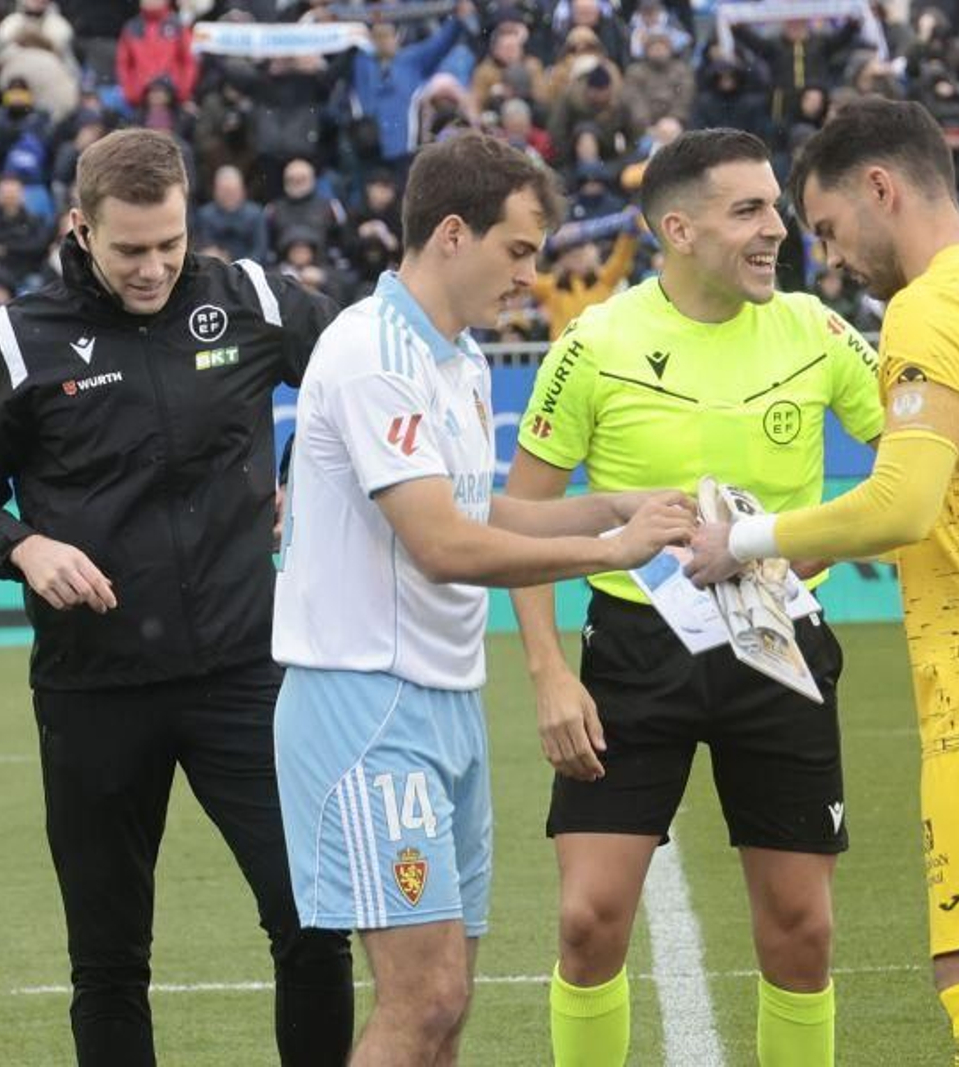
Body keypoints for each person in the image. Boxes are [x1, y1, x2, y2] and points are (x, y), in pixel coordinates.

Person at [686, 99, 959, 1066]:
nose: (834, 257)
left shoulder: (928, 308)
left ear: (881, 188)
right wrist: (823, 542)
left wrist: (748, 540)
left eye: (832, 229)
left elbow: (903, 502)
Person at [0, 128, 355, 1067]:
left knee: (314, 921)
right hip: (94, 688)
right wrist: (24, 544)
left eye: (171, 244)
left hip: (248, 677)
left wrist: (302, 480)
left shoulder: (257, 299)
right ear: (80, 226)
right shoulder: (17, 339)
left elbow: (359, 382)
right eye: (129, 250)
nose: (154, 267)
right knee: (109, 965)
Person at [270, 132, 694, 1066]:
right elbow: (441, 544)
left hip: (442, 702)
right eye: (519, 251)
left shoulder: (454, 357)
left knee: (448, 1007)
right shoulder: (373, 349)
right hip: (367, 704)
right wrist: (610, 547)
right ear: (453, 233)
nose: (530, 277)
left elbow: (479, 507)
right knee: (421, 999)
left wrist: (614, 502)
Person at [508, 127, 885, 1067]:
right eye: (748, 211)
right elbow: (523, 516)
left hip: (782, 648)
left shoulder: (817, 330)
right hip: (634, 653)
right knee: (590, 921)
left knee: (801, 931)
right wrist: (550, 671)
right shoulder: (595, 342)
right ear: (677, 227)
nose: (776, 232)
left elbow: (914, 464)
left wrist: (821, 540)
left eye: (778, 210)